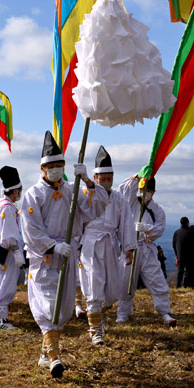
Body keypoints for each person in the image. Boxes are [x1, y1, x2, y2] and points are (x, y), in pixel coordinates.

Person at [20, 131, 93, 378]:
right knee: (47, 305)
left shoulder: (73, 190)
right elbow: (31, 228)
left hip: (67, 255)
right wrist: (51, 245)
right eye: (50, 166)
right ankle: (55, 357)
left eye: (59, 165)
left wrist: (88, 182)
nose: (55, 169)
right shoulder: (33, 194)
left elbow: (93, 210)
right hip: (45, 257)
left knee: (62, 307)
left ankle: (45, 352)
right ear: (42, 168)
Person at [77, 146, 135, 347]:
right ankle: (95, 330)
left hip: (110, 244)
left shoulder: (118, 197)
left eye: (110, 176)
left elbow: (126, 222)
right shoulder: (85, 194)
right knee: (93, 286)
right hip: (91, 245)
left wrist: (128, 247)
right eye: (103, 178)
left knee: (111, 291)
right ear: (95, 177)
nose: (107, 181)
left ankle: (100, 317)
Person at [116, 176, 176, 327]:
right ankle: (123, 313)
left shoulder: (157, 209)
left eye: (149, 191)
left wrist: (146, 228)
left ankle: (165, 312)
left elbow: (160, 229)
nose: (146, 194)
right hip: (130, 246)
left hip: (146, 247)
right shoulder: (131, 202)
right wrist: (138, 178)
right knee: (126, 280)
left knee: (156, 278)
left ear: (153, 192)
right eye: (143, 191)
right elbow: (124, 190)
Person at [0, 165, 25, 331]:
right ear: (15, 191)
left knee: (0, 283)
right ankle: (0, 319)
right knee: (6, 285)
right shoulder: (8, 208)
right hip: (5, 251)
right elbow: (9, 235)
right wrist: (17, 251)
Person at [172, 216, 194, 288]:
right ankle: (187, 286)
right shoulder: (190, 233)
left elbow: (173, 244)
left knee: (180, 271)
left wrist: (177, 254)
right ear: (187, 223)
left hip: (180, 255)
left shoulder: (176, 232)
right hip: (189, 255)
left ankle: (178, 285)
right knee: (188, 271)